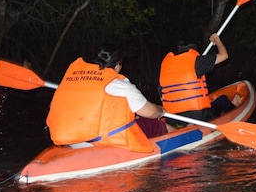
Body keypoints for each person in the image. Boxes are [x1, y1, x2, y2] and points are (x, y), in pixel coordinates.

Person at [46, 45, 174, 152]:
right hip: (105, 140)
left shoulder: (70, 81)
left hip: (71, 140)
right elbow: (150, 112)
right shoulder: (119, 84)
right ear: (118, 64)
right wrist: (161, 111)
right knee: (159, 125)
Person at [159, 33, 237, 122]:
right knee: (223, 100)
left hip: (173, 119)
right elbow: (224, 56)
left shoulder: (166, 66)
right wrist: (217, 41)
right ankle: (235, 112)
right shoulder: (197, 61)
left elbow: (162, 95)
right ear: (194, 50)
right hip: (197, 117)